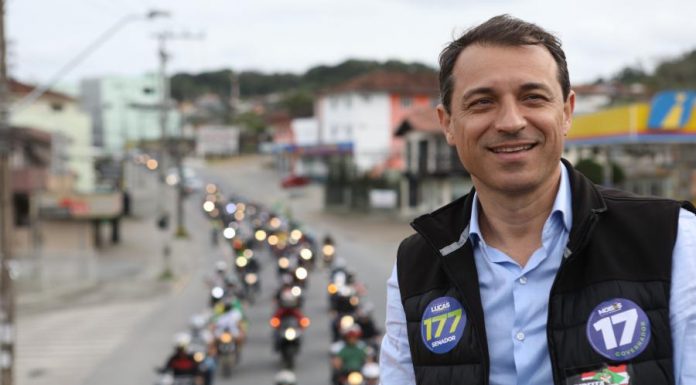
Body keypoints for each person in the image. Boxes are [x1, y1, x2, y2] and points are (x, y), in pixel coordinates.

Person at [379, 14, 696, 385]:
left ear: (566, 112)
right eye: (482, 102)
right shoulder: (414, 266)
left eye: (533, 97)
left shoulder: (675, 241)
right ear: (447, 123)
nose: (511, 121)